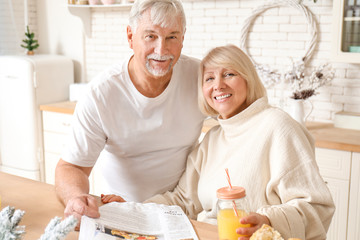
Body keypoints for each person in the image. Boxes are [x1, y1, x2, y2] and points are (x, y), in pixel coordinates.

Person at [103, 45, 335, 240]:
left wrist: (267, 221)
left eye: (229, 74)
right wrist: (132, 209)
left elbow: (317, 207)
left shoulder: (278, 127)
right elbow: (183, 200)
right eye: (209, 78)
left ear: (248, 79)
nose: (218, 85)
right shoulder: (212, 139)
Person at [55, 0, 205, 229]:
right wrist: (75, 198)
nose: (161, 50)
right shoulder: (101, 94)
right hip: (125, 212)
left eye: (172, 37)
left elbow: (242, 122)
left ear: (183, 38)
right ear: (130, 37)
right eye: (150, 36)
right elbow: (71, 167)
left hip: (184, 211)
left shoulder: (202, 78)